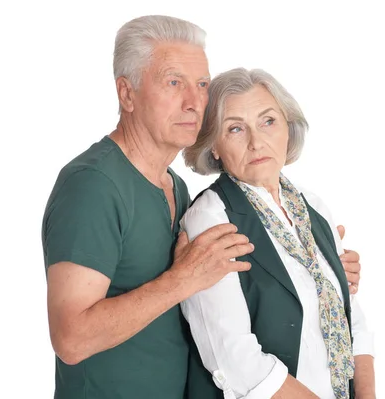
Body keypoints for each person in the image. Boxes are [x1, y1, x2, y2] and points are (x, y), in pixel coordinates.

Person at [41, 15, 363, 399]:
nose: (195, 102)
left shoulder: (173, 186)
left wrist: (317, 276)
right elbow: (71, 339)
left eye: (202, 85)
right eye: (174, 83)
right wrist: (182, 279)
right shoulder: (93, 185)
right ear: (127, 94)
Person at [180, 68, 376, 399]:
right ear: (213, 145)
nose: (257, 142)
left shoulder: (311, 207)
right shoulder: (211, 219)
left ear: (288, 128)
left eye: (268, 121)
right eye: (236, 129)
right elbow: (234, 359)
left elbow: (350, 317)